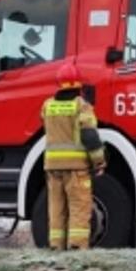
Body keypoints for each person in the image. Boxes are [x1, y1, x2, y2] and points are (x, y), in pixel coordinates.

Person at [41, 61, 106, 250]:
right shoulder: (81, 106)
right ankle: (76, 247)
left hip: (52, 167)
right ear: (78, 84)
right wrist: (99, 161)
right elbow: (89, 135)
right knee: (79, 208)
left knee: (56, 209)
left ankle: (56, 246)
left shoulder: (47, 106)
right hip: (76, 168)